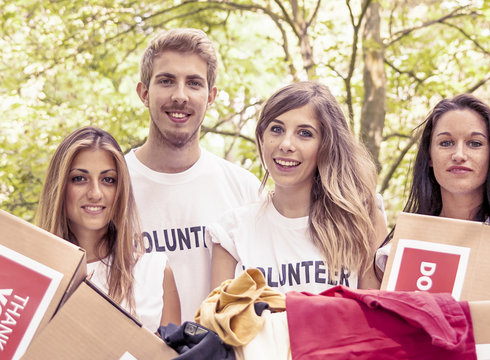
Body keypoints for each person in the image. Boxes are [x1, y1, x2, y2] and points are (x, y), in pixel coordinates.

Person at [126, 28, 261, 321]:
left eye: (194, 83)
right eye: (166, 81)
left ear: (210, 97)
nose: (180, 96)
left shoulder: (245, 191)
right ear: (144, 93)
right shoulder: (111, 186)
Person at [209, 81, 388, 293]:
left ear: (327, 144)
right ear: (262, 138)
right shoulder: (232, 232)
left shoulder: (362, 218)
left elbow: (376, 316)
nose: (286, 144)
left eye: (305, 133)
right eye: (276, 129)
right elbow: (219, 322)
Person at [36, 126, 181, 333]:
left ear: (121, 189)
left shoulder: (154, 272)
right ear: (59, 187)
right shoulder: (34, 274)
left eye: (108, 180)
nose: (95, 193)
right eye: (79, 178)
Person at [375, 94, 490, 273]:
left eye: (475, 143)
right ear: (429, 156)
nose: (459, 155)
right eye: (446, 143)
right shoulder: (401, 249)